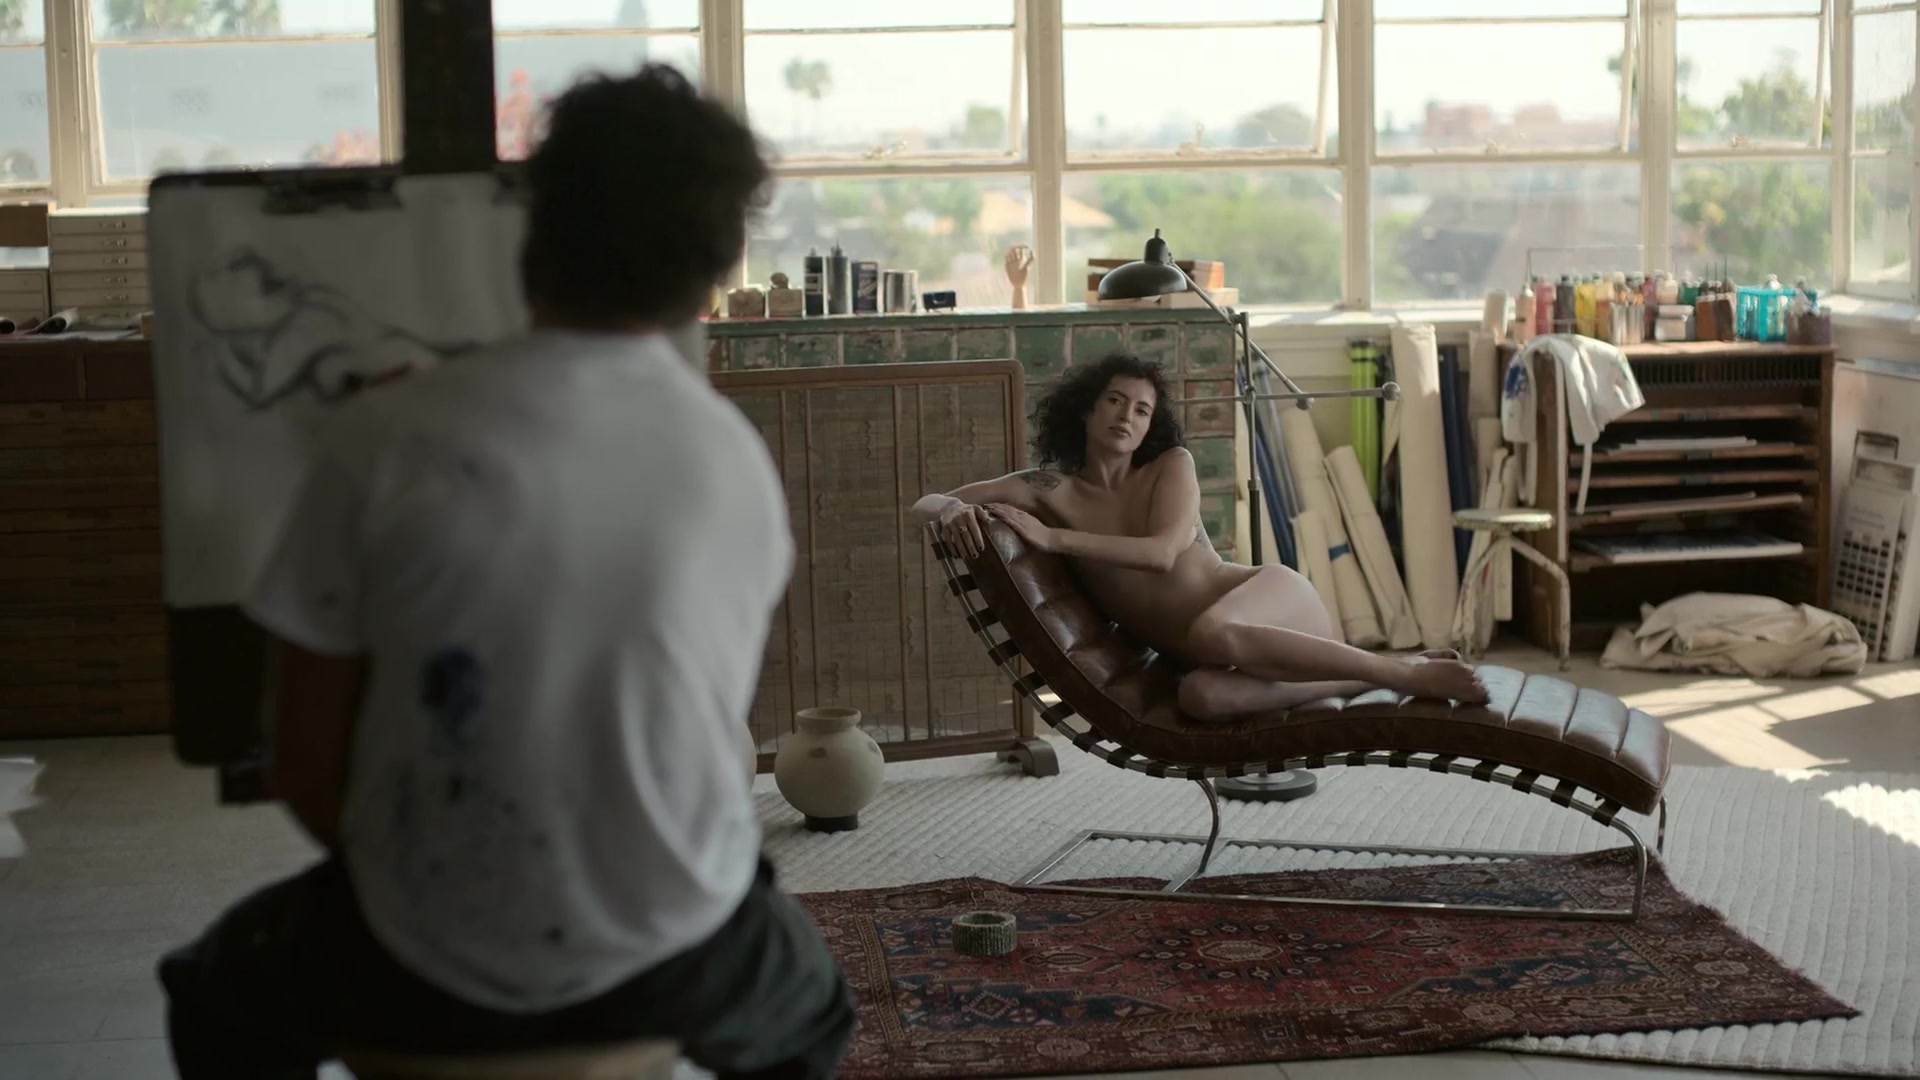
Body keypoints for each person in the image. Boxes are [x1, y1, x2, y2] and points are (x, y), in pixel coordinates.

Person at [157, 65, 855, 1080]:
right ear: (710, 270)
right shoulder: (734, 462)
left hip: (421, 957)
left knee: (214, 997)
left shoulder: (382, 434)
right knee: (816, 1019)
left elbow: (307, 771)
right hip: (676, 953)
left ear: (533, 235)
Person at [909, 352, 1490, 719]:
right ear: (1085, 411)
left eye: (1142, 410)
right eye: (1115, 401)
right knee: (1200, 698)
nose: (1127, 416)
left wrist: (1056, 541)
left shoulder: (1171, 466)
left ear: (1150, 426)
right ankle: (1350, 675)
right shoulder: (1048, 490)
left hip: (1271, 604)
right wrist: (954, 509)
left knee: (1213, 629)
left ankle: (1402, 673)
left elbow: (1162, 554)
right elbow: (923, 503)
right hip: (1214, 657)